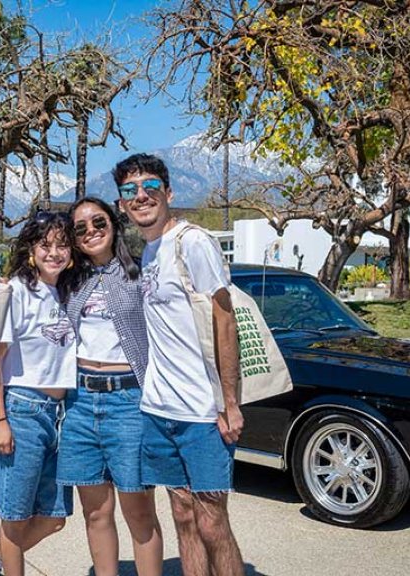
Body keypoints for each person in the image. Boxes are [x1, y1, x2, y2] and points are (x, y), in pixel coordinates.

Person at [113, 153, 246, 576]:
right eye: (130, 191)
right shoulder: (148, 252)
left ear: (168, 193)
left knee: (212, 520)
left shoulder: (193, 242)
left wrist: (229, 401)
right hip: (158, 410)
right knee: (183, 516)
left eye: (150, 187)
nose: (141, 196)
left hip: (202, 413)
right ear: (122, 204)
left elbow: (225, 319)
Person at [57, 197, 163, 576]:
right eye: (80, 228)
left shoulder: (140, 273)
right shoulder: (70, 280)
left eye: (98, 222)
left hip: (129, 400)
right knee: (96, 512)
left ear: (114, 225)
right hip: (81, 403)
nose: (90, 232)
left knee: (139, 512)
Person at [0, 211, 78, 576]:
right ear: (30, 249)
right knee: (15, 519)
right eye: (45, 245)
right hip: (22, 410)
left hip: (60, 414)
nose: (54, 253)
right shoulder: (16, 291)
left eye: (62, 245)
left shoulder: (66, 291)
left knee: (53, 518)